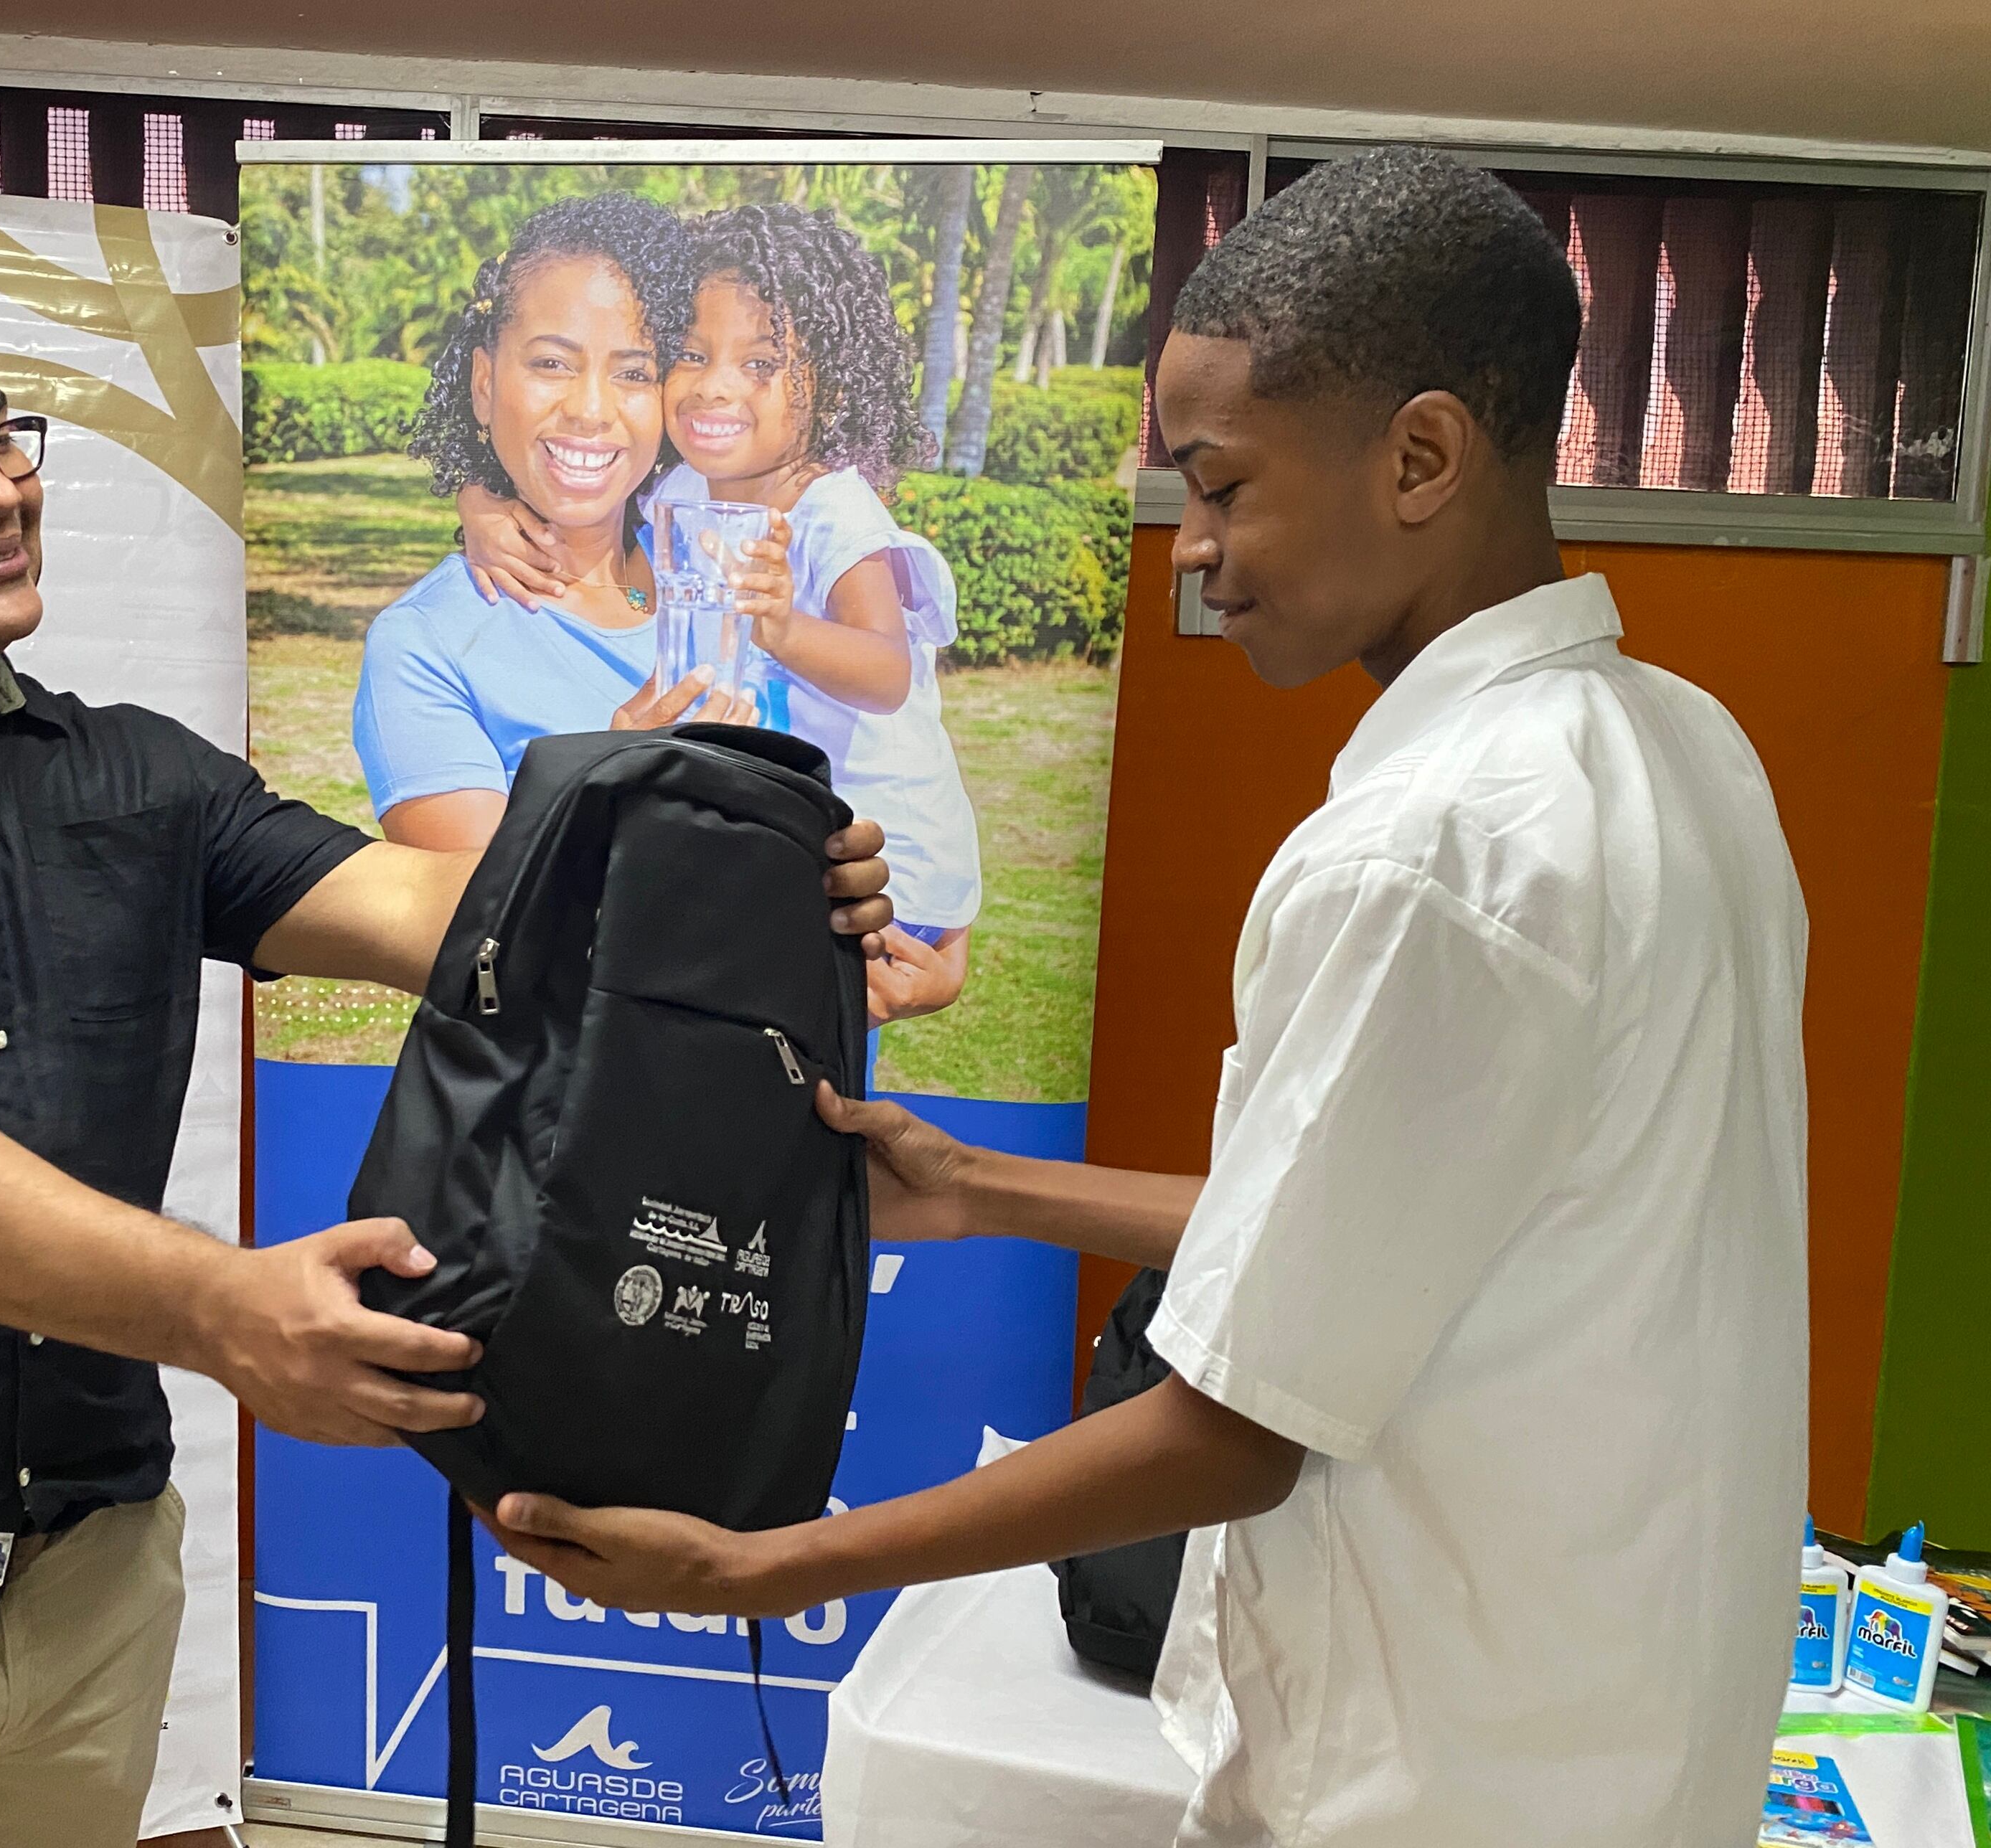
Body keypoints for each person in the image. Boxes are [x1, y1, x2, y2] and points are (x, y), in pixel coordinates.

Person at [486, 146, 1808, 1848]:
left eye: (1222, 485)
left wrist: (768, 1565)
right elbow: (1386, 1231)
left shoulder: (1429, 851)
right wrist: (977, 1188)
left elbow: (1235, 1427)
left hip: (1431, 1783)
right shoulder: (1680, 752)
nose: (1184, 549)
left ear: (1416, 456)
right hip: (1616, 1748)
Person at [0, 255, 892, 1848]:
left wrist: (761, 889)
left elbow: (449, 914)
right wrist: (224, 1306)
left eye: (3, 435)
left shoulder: (135, 777)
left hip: (84, 1579)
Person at [458, 203, 982, 1024]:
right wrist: (481, 507)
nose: (714, 386)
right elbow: (581, 506)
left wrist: (782, 627)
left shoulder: (832, 509)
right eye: (691, 356)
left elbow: (887, 674)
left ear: (830, 383)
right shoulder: (685, 490)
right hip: (796, 840)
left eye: (761, 362)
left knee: (754, 1044)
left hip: (885, 860)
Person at [352, 191, 745, 862]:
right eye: (552, 363)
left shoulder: (720, 573)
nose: (590, 409)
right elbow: (478, 928)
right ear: (484, 385)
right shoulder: (426, 645)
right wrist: (611, 777)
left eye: (634, 372)